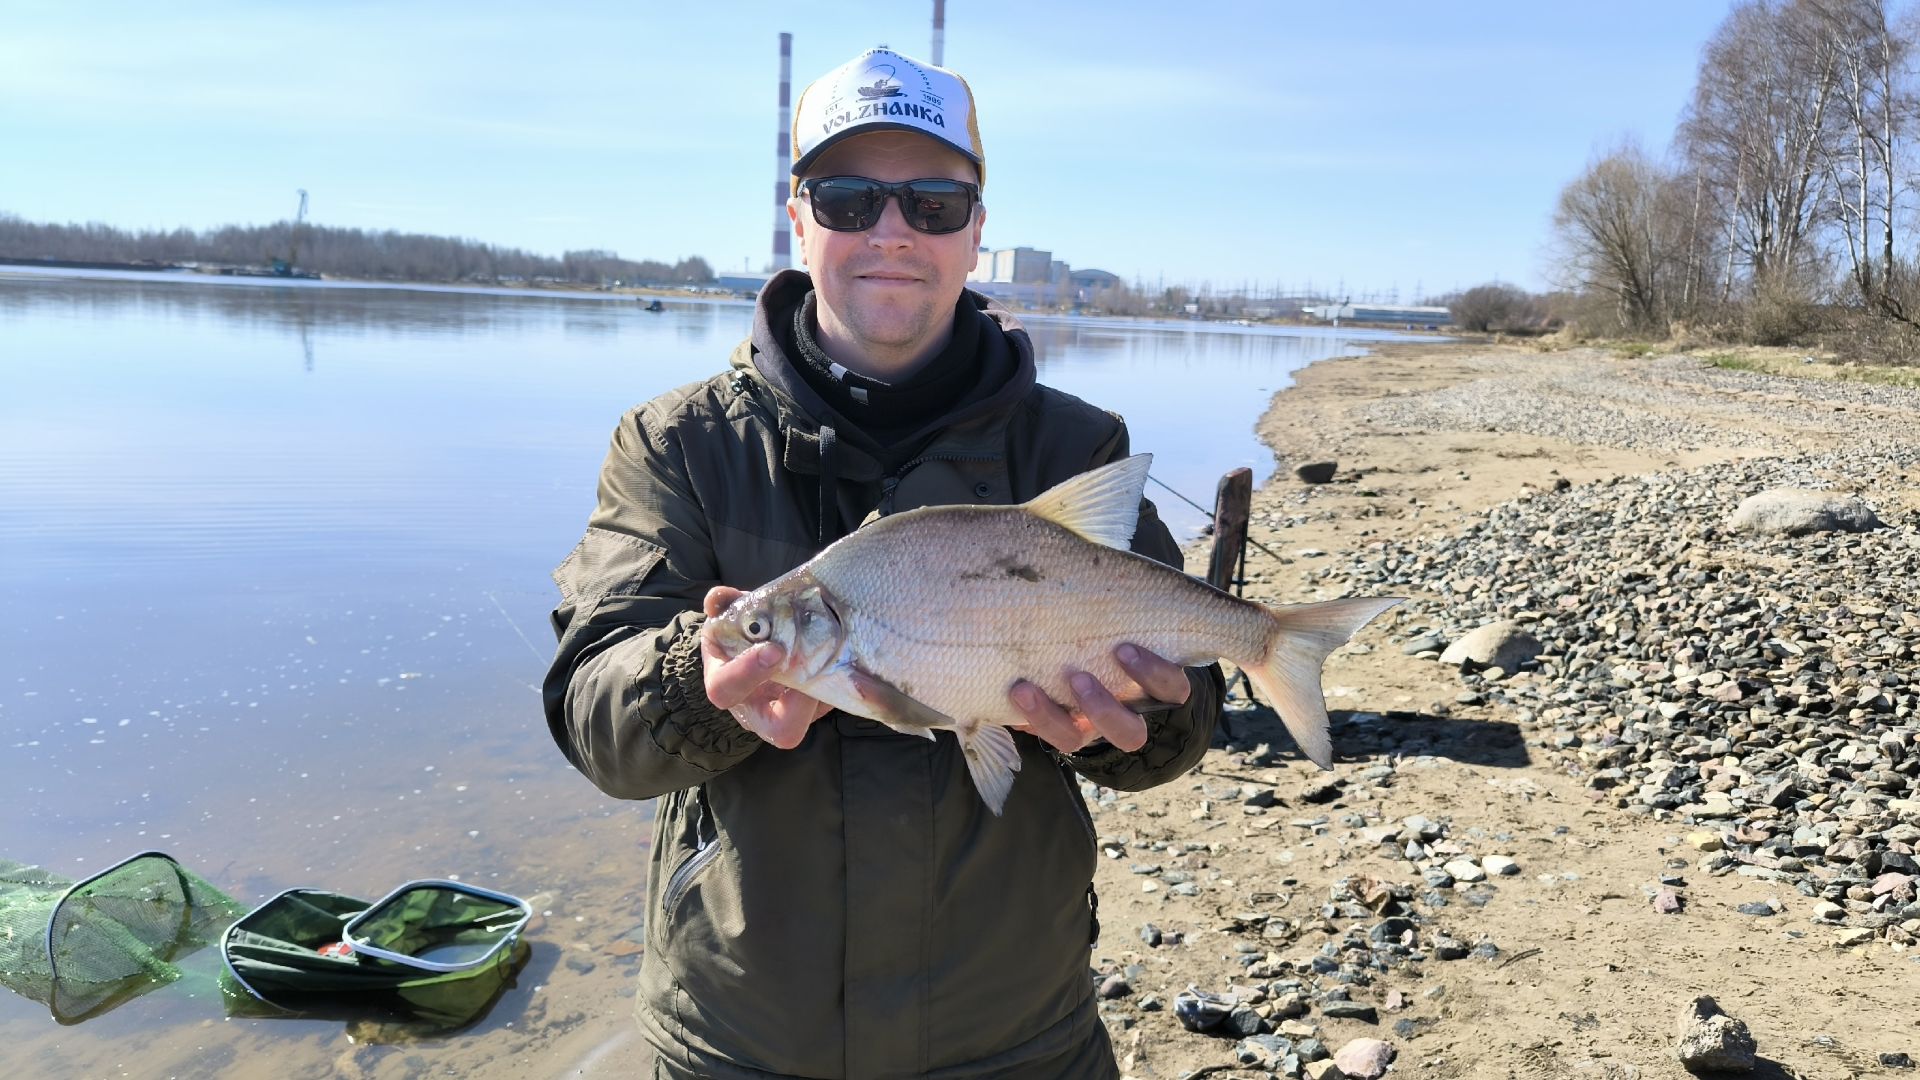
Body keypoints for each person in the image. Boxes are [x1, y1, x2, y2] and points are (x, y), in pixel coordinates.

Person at [543, 45, 1223, 1080]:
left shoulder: (1076, 448)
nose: (892, 231)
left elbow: (1180, 729)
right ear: (799, 218)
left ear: (977, 231)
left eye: (933, 203)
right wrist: (694, 683)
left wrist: (1138, 720)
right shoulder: (676, 444)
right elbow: (598, 721)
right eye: (849, 199)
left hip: (1019, 1036)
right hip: (741, 1040)